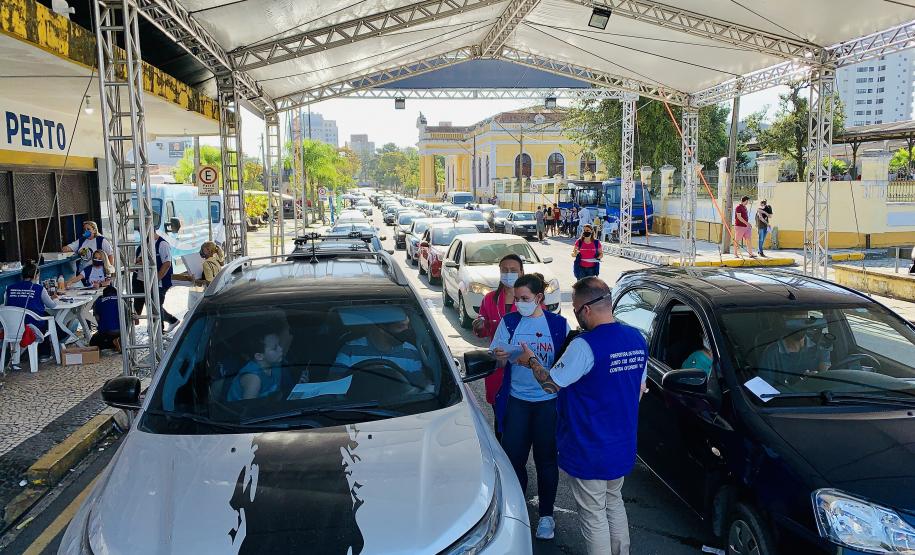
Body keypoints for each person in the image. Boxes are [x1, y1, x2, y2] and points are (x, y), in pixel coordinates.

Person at [516, 276, 648, 555]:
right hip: (622, 443)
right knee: (614, 502)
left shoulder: (584, 346)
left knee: (593, 515)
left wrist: (532, 361)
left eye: (575, 309)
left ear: (585, 309)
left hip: (589, 445)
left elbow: (552, 384)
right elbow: (639, 388)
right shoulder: (637, 339)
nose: (576, 315)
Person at [490, 274, 570, 541]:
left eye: (525, 299)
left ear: (539, 298)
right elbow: (498, 362)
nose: (518, 304)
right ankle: (518, 509)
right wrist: (501, 358)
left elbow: (565, 366)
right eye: (516, 299)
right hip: (517, 402)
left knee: (547, 460)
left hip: (548, 404)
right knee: (514, 460)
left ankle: (546, 515)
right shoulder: (509, 322)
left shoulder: (558, 325)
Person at [473, 254, 524, 431]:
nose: (508, 274)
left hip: (523, 366)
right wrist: (480, 325)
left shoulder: (531, 300)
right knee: (500, 421)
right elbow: (483, 330)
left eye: (513, 270)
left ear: (521, 272)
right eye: (504, 270)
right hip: (498, 366)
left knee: (521, 421)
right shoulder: (489, 299)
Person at [333, 306, 424, 376]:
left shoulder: (412, 352)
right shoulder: (350, 349)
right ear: (381, 329)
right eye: (400, 327)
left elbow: (420, 386)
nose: (406, 330)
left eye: (408, 326)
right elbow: (334, 382)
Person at [3, 262, 62, 361]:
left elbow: (10, 305)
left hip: (13, 325)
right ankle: (44, 354)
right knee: (47, 319)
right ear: (36, 275)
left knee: (44, 316)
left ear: (22, 275)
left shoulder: (10, 288)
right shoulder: (39, 288)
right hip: (31, 325)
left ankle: (63, 336)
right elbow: (52, 305)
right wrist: (55, 298)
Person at [759, 314, 832, 386]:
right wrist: (797, 383)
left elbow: (826, 380)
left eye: (803, 315)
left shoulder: (820, 346)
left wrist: (816, 377)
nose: (800, 320)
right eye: (794, 315)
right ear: (783, 321)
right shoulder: (772, 352)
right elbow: (764, 390)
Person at [132, 232, 180, 332]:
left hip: (158, 281)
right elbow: (138, 261)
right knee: (149, 304)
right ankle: (171, 320)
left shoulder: (162, 244)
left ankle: (157, 330)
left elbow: (166, 264)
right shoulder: (142, 245)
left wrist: (157, 279)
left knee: (155, 305)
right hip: (141, 280)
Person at [227, 331, 287, 401]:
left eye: (279, 344)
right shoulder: (254, 379)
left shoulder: (276, 363)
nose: (281, 349)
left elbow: (277, 392)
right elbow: (248, 408)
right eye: (274, 348)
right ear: (259, 356)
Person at [89, 285, 121, 352]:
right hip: (122, 332)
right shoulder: (123, 299)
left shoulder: (99, 301)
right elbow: (136, 321)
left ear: (104, 295)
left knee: (93, 343)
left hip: (107, 332)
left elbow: (97, 319)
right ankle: (119, 342)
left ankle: (113, 343)